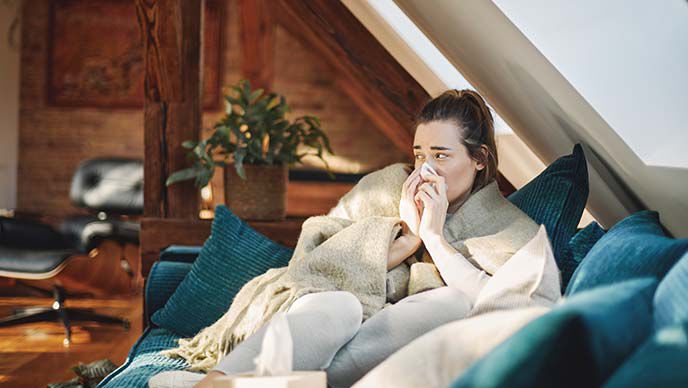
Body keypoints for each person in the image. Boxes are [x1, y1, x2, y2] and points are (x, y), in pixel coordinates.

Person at [148, 89, 539, 388]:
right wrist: (400, 242)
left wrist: (434, 238)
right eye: (419, 155)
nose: (425, 170)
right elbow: (310, 260)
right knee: (342, 307)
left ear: (480, 159)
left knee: (451, 302)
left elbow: (506, 308)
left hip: (391, 344)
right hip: (324, 310)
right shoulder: (386, 186)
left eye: (441, 156)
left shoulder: (505, 227)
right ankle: (218, 383)